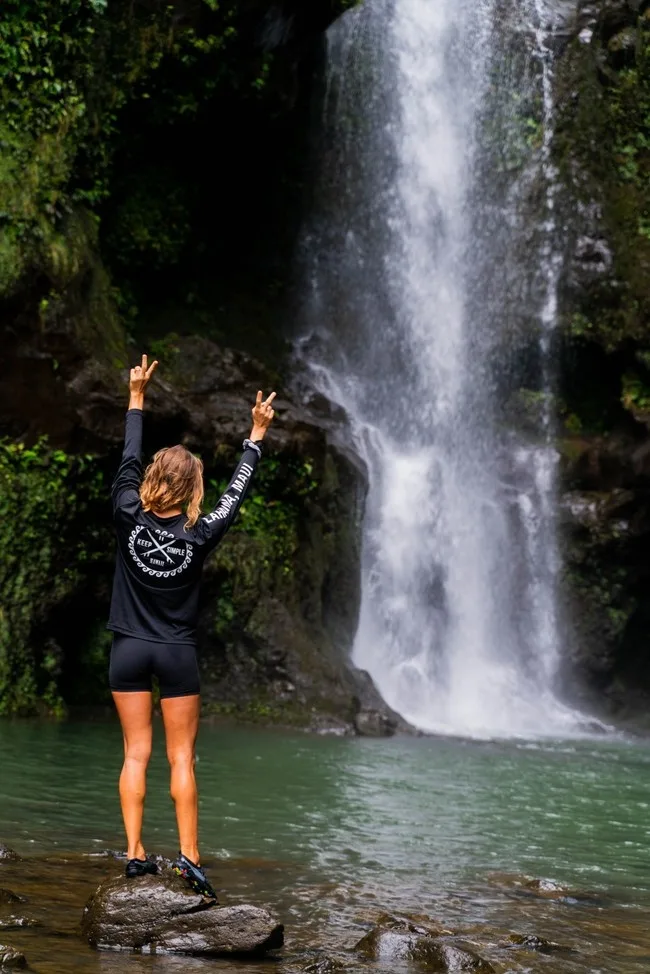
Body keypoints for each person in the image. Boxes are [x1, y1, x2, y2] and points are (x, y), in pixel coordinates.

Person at [108, 354, 276, 898]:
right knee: (182, 757)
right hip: (177, 653)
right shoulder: (200, 534)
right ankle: (190, 858)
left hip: (129, 649)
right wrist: (255, 435)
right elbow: (236, 494)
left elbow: (129, 457)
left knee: (136, 753)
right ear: (191, 488)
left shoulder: (126, 511)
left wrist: (136, 397)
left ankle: (134, 855)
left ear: (155, 480)